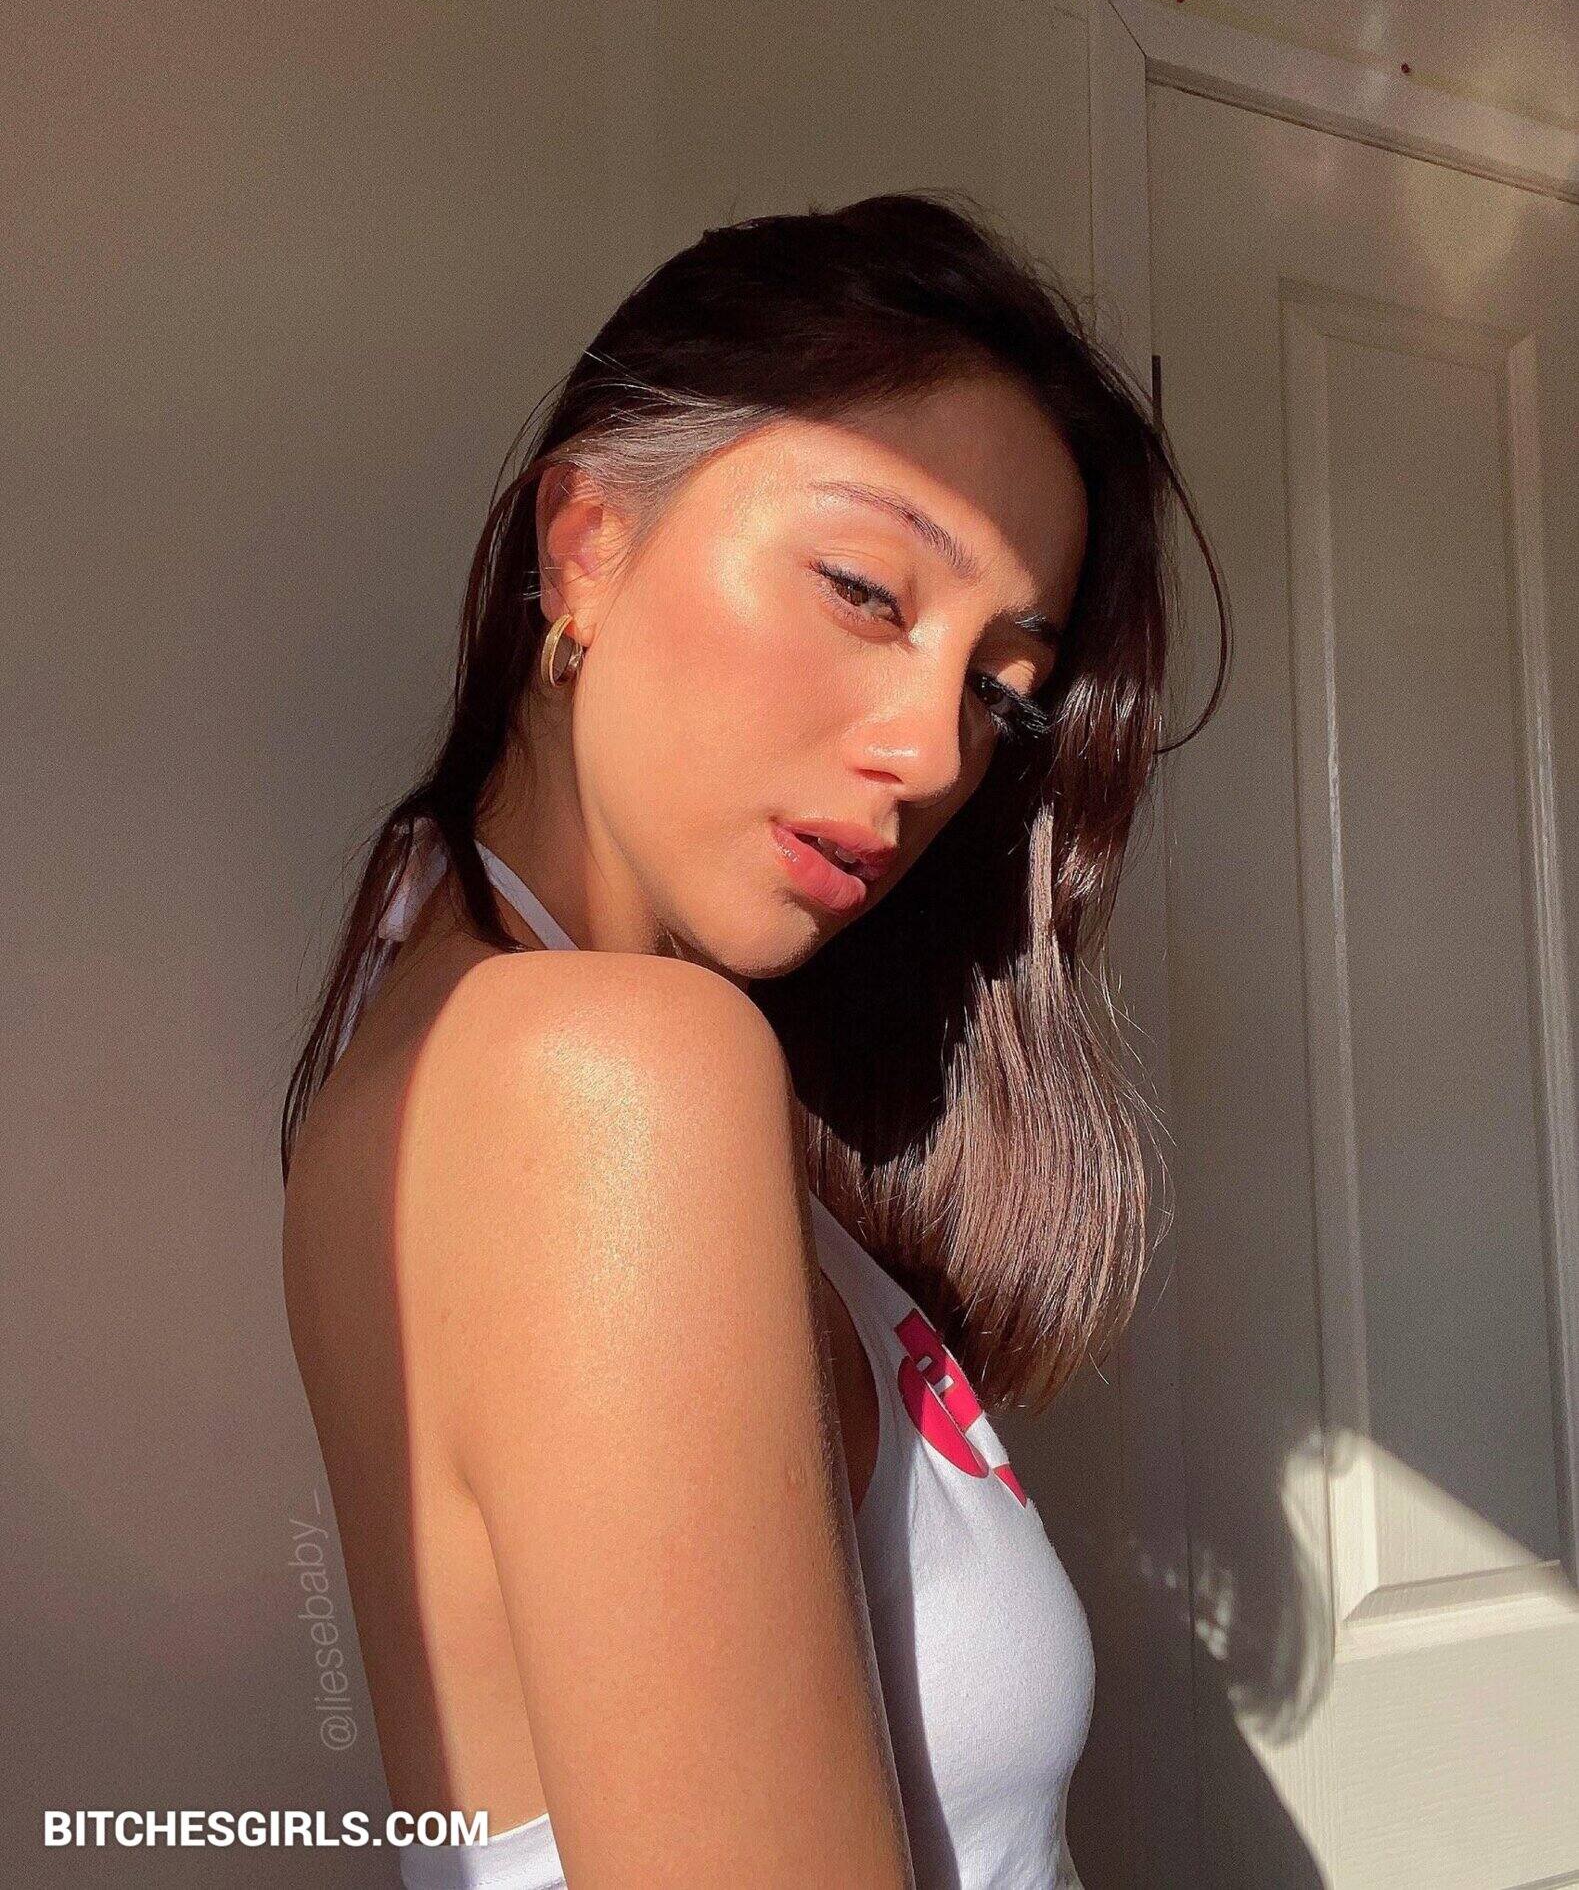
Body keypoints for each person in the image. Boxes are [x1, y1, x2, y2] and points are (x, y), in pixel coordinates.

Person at [279, 190, 1228, 1889]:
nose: (932, 754)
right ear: (586, 544)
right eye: (866, 590)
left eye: (1002, 693)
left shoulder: (463, 1019)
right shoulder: (612, 1086)